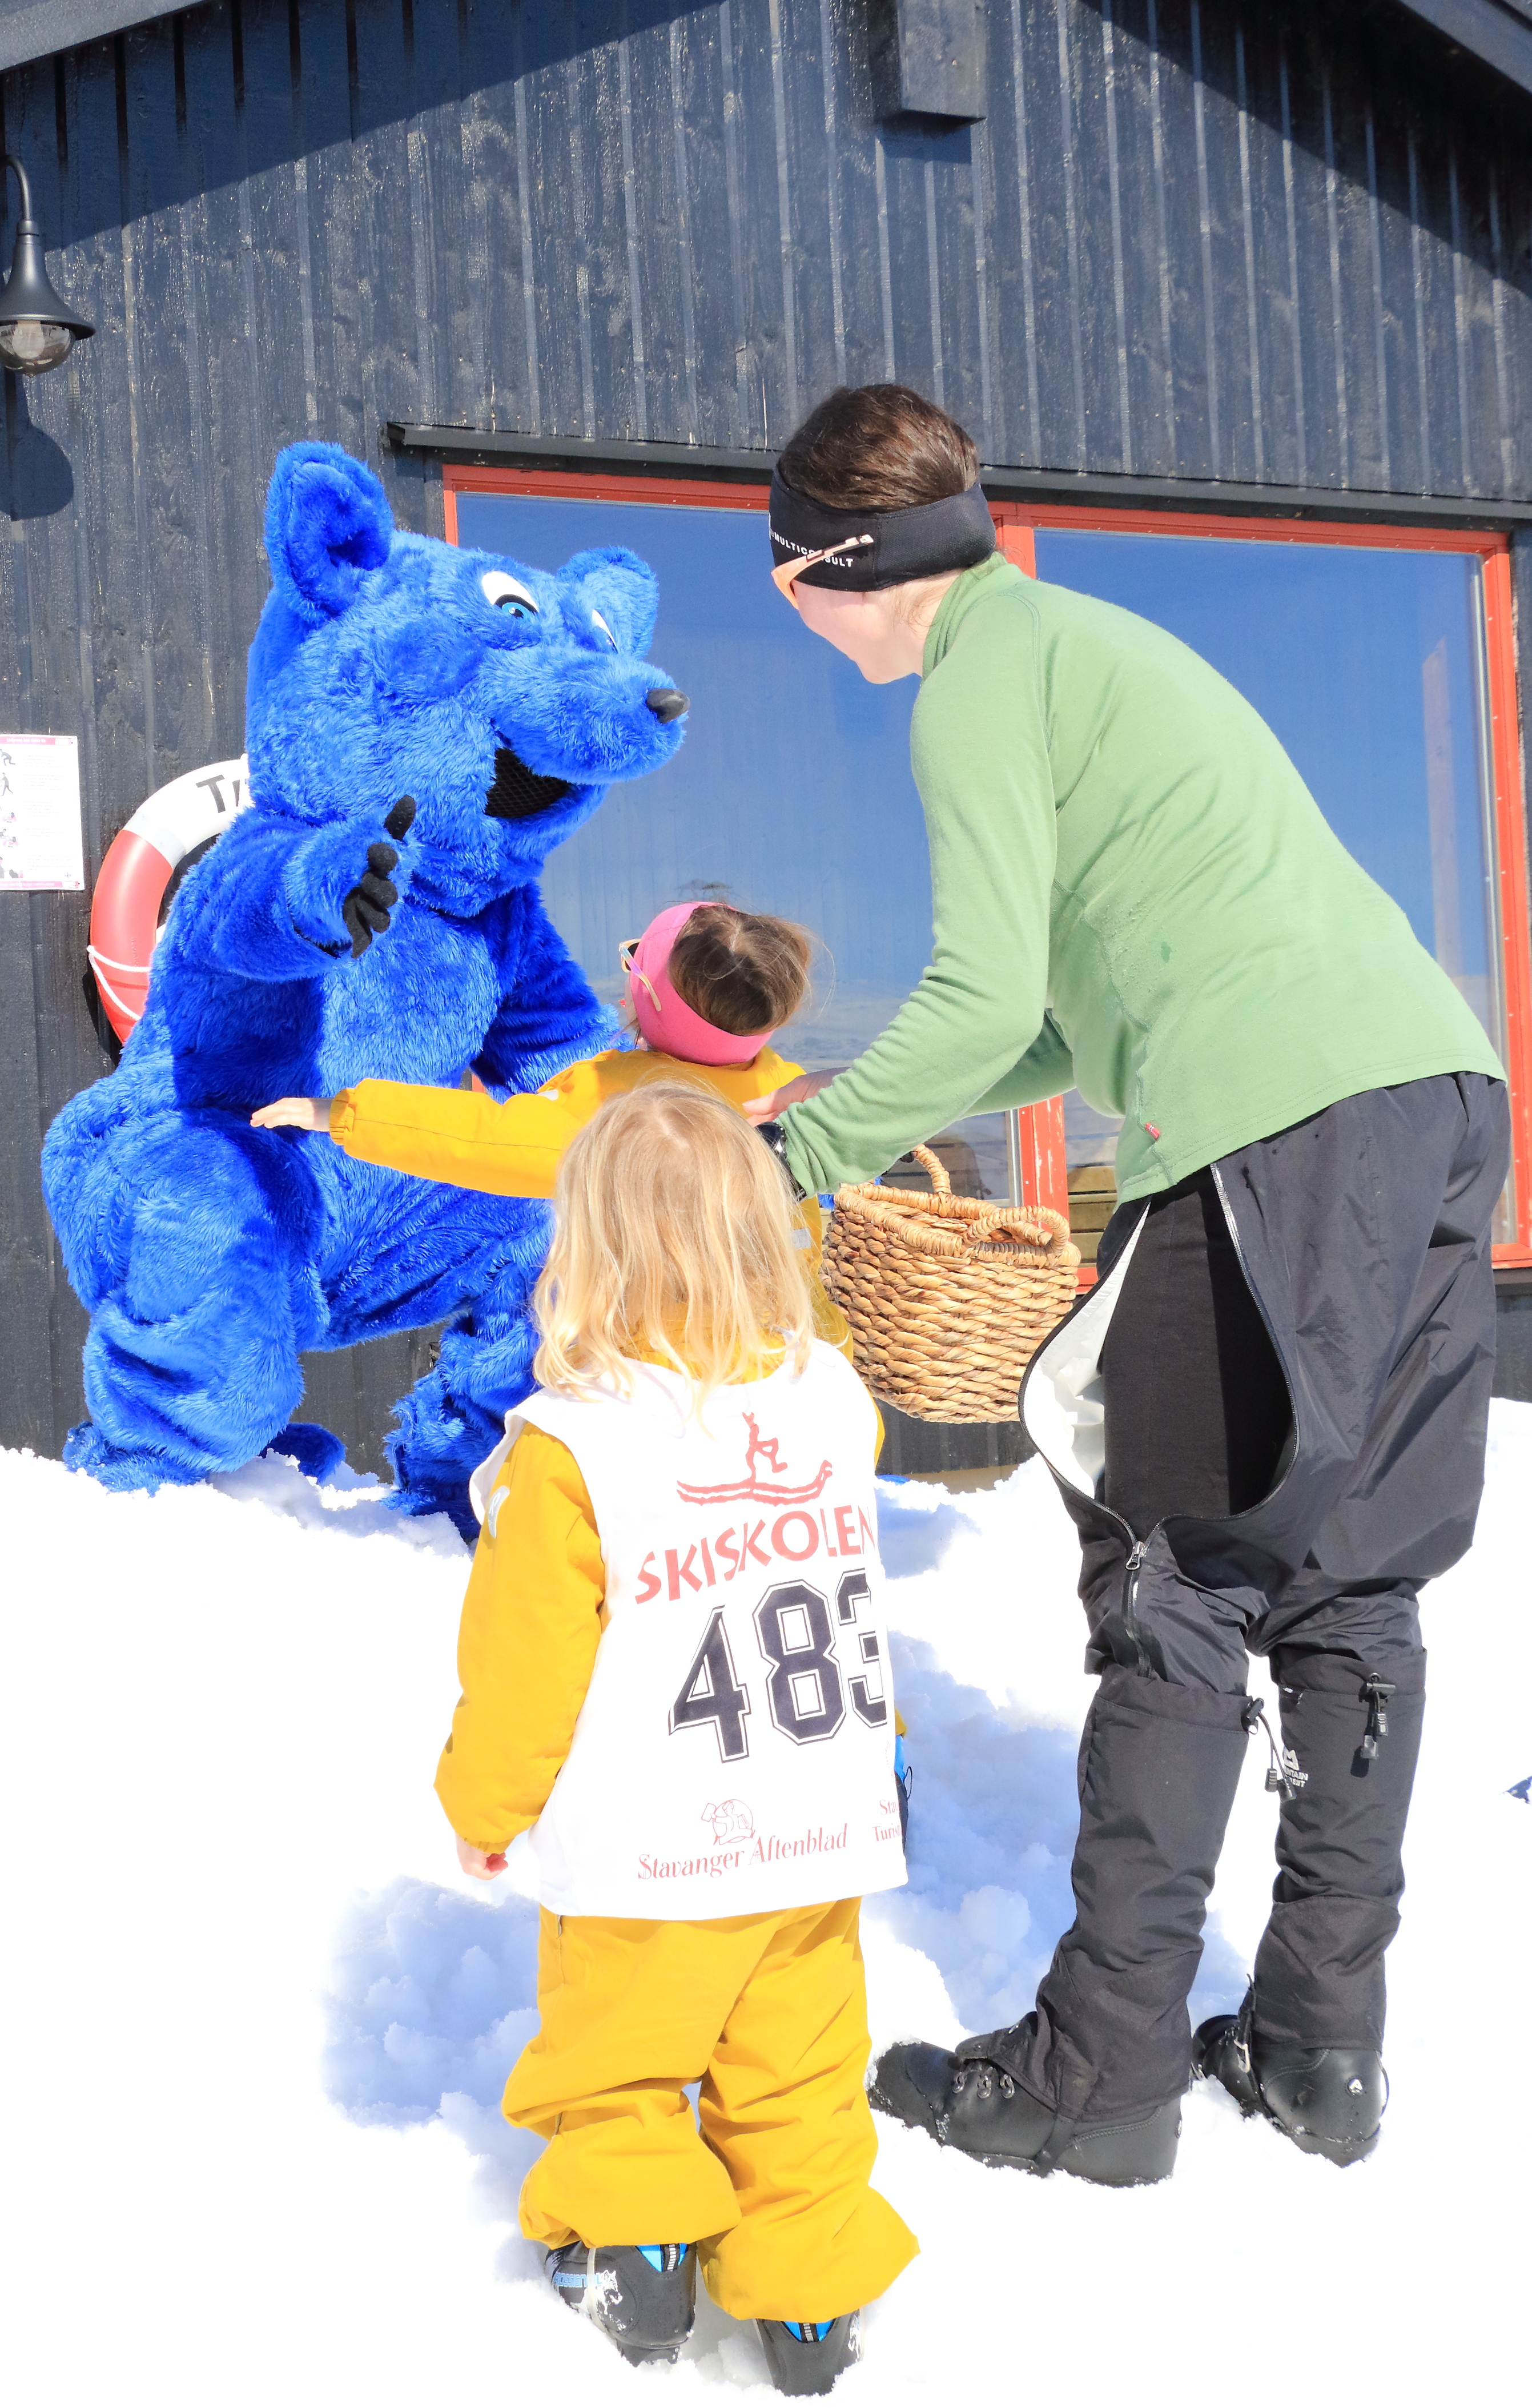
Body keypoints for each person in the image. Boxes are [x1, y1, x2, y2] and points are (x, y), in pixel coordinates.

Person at [743, 382, 1509, 2181]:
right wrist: (858, 1098)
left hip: (1269, 1114)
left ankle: (1098, 2078)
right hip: (1433, 1090)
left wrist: (795, 1152)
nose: (790, 611)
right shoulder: (1082, 644)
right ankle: (1322, 2046)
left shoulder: (978, 679)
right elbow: (1045, 1024)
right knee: (1346, 1578)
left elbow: (974, 992)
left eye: (784, 579)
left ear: (841, 567)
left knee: (1172, 1564)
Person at [435, 1083, 916, 2393]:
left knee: (621, 2057)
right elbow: (837, 1591)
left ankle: (638, 2258)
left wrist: (488, 1806)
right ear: (766, 1236)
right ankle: (810, 2302)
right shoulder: (832, 1401)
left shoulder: (576, 1450)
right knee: (802, 2073)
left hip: (656, 1846)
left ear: (585, 1252)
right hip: (817, 1823)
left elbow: (525, 1663)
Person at [251, 901, 851, 1352]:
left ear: (647, 995)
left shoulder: (620, 1110)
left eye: (633, 961)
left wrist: (346, 1112)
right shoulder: (790, 1088)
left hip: (673, 1361)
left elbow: (484, 1137)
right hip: (801, 1353)